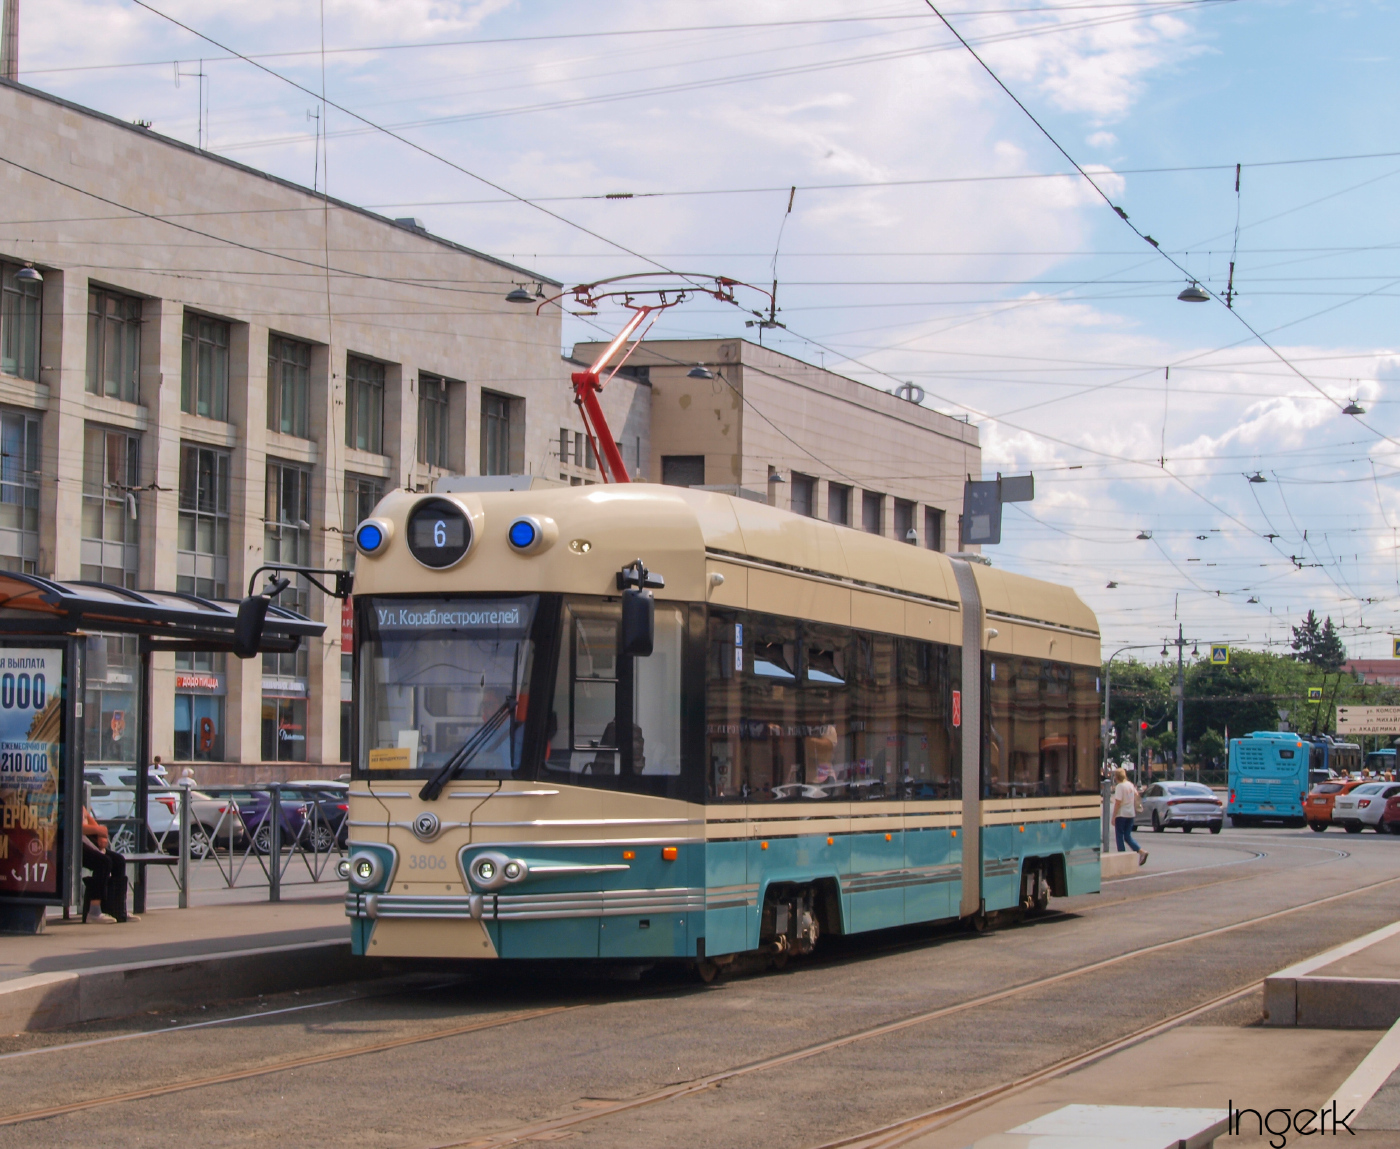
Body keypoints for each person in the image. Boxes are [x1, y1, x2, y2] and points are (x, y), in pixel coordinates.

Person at [81, 805, 127, 923]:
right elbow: (74, 827)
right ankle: (94, 911)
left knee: (118, 861)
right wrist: (97, 831)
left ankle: (117, 909)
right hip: (75, 844)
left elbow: (95, 825)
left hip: (88, 841)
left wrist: (101, 835)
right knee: (103, 862)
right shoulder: (65, 803)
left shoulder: (81, 807)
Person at [1111, 767, 1148, 867]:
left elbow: (1118, 802)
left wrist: (1113, 816)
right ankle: (1141, 852)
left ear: (1116, 777)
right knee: (1127, 836)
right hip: (1131, 814)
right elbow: (1136, 796)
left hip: (1121, 814)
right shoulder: (1130, 785)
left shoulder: (1120, 787)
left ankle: (1122, 857)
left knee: (1119, 836)